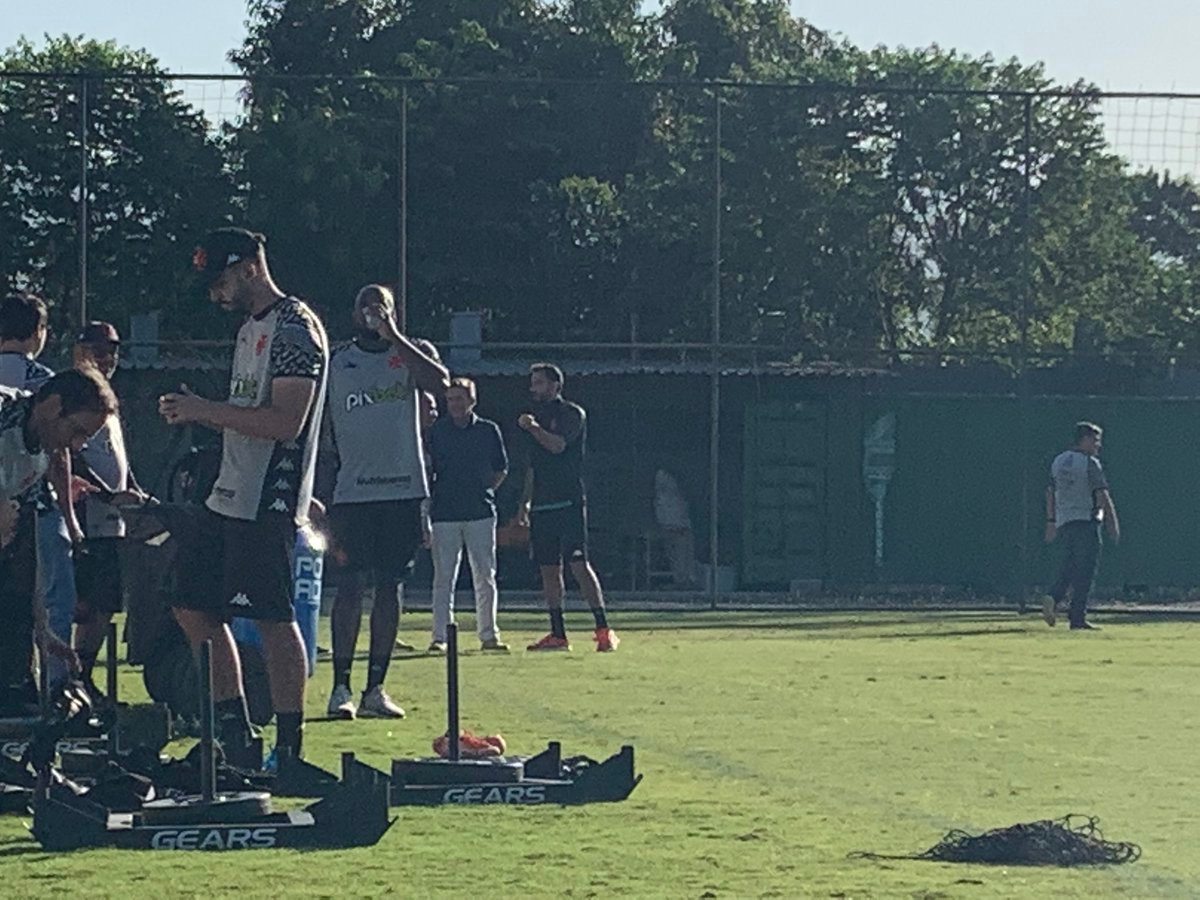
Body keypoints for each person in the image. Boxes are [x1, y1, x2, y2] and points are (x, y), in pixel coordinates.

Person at [160, 227, 329, 760]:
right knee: (191, 605)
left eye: (222, 280)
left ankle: (289, 744)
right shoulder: (248, 330)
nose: (216, 294)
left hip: (267, 498)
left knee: (272, 617)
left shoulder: (296, 329)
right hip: (228, 492)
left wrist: (201, 410)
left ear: (251, 267)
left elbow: (286, 421)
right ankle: (233, 732)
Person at [319, 284, 448, 720]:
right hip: (353, 492)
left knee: (391, 587)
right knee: (349, 585)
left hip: (403, 491)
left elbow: (440, 383)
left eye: (383, 305)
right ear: (354, 313)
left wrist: (395, 335)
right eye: (367, 305)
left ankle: (376, 686)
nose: (374, 313)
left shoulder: (411, 352)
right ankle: (341, 687)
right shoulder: (337, 360)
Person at [0, 368, 114, 711]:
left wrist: (44, 629)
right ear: (52, 406)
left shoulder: (43, 454)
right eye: (76, 431)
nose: (76, 445)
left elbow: (27, 550)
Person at [0, 292, 82, 690]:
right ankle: (49, 684)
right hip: (31, 511)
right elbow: (58, 454)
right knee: (46, 593)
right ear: (37, 332)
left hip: (13, 505)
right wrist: (68, 513)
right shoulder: (44, 385)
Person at [70, 322, 152, 699]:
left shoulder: (107, 394)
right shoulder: (72, 392)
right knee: (83, 602)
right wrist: (104, 494)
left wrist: (132, 490)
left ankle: (84, 674)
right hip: (83, 514)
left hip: (112, 520)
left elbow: (116, 456)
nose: (107, 358)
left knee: (105, 602)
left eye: (113, 350)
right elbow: (67, 452)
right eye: (99, 350)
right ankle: (68, 677)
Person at [519, 364, 619, 652]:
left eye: (538, 383)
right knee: (549, 569)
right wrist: (524, 503)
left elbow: (557, 446)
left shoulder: (571, 414)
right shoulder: (532, 417)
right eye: (532, 383)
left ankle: (603, 630)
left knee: (578, 564)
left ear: (554, 386)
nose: (533, 388)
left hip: (569, 502)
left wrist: (534, 428)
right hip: (542, 505)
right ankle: (558, 635)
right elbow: (533, 466)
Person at [427, 377, 509, 653]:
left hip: (480, 512)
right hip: (444, 513)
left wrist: (482, 490)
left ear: (472, 401)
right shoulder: (437, 432)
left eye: (460, 399)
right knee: (443, 578)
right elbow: (429, 471)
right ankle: (440, 637)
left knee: (485, 576)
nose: (455, 405)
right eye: (450, 399)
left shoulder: (488, 430)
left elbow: (501, 469)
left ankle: (488, 635)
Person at [1043, 421, 1120, 631]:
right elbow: (1101, 494)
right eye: (1095, 441)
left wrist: (1051, 522)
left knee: (1069, 565)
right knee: (1086, 571)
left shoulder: (1058, 462)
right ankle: (1077, 617)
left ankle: (1053, 596)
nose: (1098, 446)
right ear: (1084, 440)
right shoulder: (1090, 463)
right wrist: (1111, 522)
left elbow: (1050, 493)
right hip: (1087, 521)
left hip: (1065, 521)